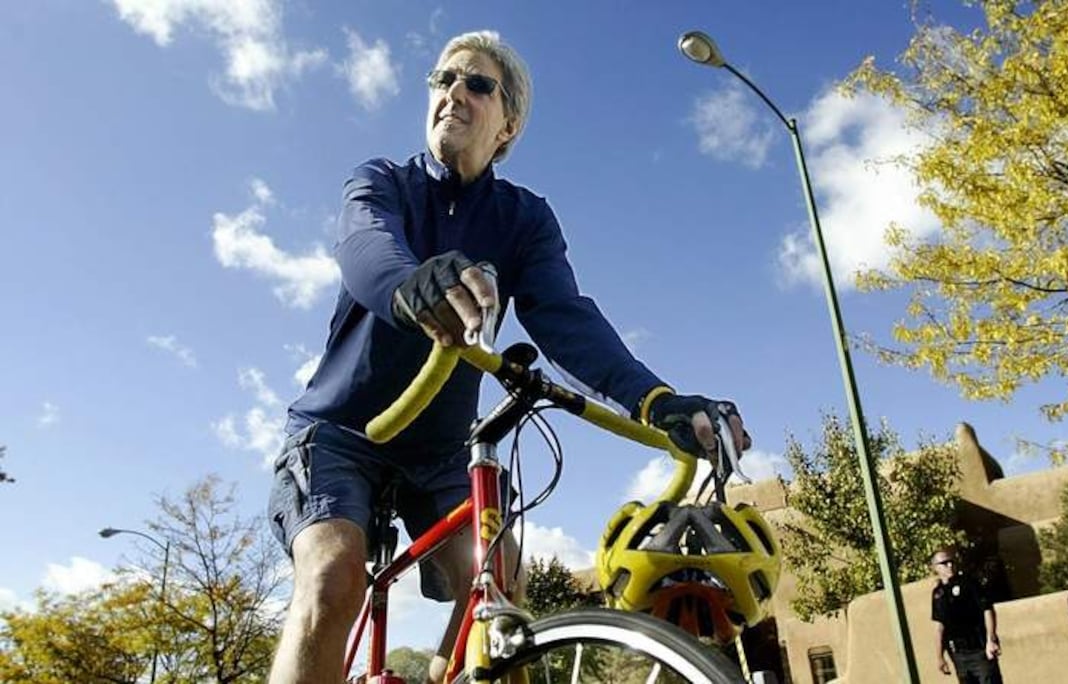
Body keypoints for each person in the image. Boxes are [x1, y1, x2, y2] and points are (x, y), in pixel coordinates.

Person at [266, 30, 749, 684]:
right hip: (342, 431)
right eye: (442, 80)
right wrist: (413, 287)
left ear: (508, 125)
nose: (452, 95)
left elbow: (565, 319)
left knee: (500, 590)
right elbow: (365, 248)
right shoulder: (384, 181)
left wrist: (657, 400)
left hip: (438, 451)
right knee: (332, 575)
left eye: (476, 84)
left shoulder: (525, 219)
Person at [929, 547, 1003, 684]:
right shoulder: (938, 594)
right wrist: (940, 657)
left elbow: (987, 609)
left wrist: (991, 639)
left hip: (980, 650)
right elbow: (939, 627)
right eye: (944, 563)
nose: (950, 565)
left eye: (952, 561)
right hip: (959, 654)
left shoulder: (969, 583)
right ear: (935, 568)